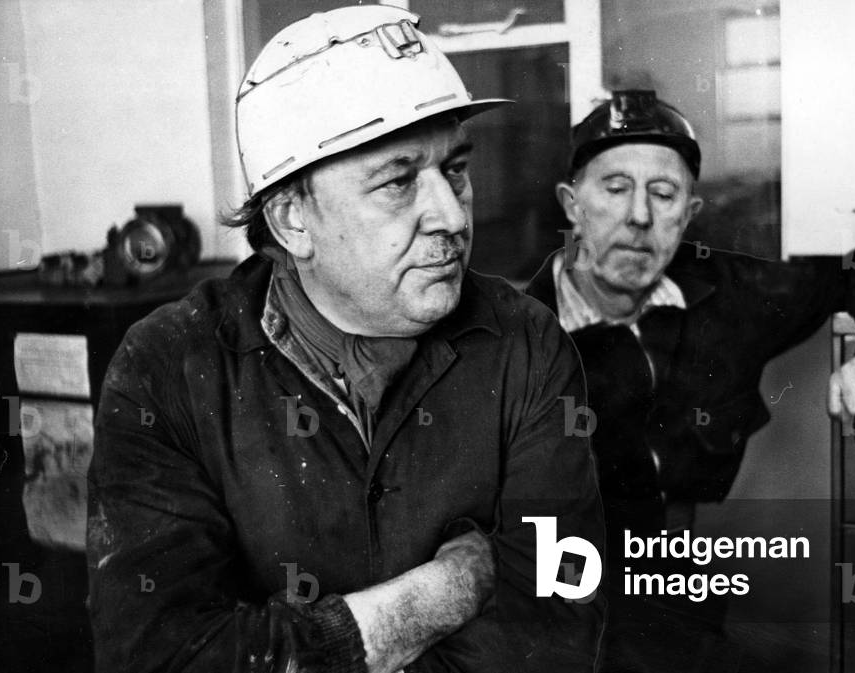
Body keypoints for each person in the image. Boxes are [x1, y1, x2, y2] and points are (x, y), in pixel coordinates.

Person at [85, 7, 604, 673]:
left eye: (456, 169)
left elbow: (557, 625)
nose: (449, 214)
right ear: (293, 217)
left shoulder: (525, 342)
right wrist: (445, 590)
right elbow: (158, 658)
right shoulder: (169, 367)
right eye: (398, 181)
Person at [525, 89, 855, 672]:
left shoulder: (731, 298)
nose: (640, 216)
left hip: (674, 602)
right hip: (545, 604)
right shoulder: (516, 333)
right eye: (615, 189)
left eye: (664, 194)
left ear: (690, 213)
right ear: (572, 204)